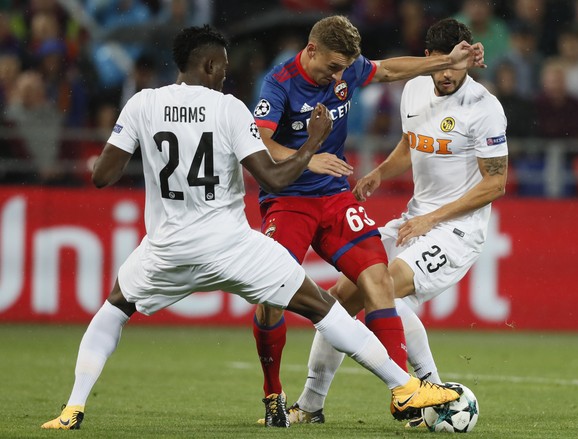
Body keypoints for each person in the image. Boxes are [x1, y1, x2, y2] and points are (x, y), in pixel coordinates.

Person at [40, 25, 463, 431]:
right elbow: (275, 179)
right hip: (230, 246)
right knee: (323, 307)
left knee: (113, 310)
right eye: (223, 65)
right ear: (208, 66)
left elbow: (103, 176)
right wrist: (313, 143)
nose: (227, 72)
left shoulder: (142, 104)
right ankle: (404, 387)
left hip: (165, 248)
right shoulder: (230, 108)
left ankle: (73, 407)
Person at [251, 14, 485, 427]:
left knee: (377, 279)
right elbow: (259, 146)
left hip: (335, 197)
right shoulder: (279, 84)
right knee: (271, 294)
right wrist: (308, 156)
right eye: (333, 67)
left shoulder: (346, 70)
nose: (339, 77)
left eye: (345, 68)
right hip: (288, 200)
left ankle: (404, 392)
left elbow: (390, 68)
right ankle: (273, 393)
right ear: (311, 50)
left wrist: (447, 60)